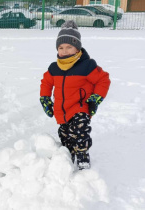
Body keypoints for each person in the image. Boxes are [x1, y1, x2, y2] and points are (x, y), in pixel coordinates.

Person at [40, 20, 111, 170]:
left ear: (77, 48)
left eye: (69, 47)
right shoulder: (54, 68)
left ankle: (83, 155)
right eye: (61, 47)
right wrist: (45, 98)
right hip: (62, 110)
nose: (64, 51)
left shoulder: (87, 65)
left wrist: (95, 98)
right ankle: (69, 155)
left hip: (80, 107)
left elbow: (103, 80)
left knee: (80, 131)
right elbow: (46, 83)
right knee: (65, 135)